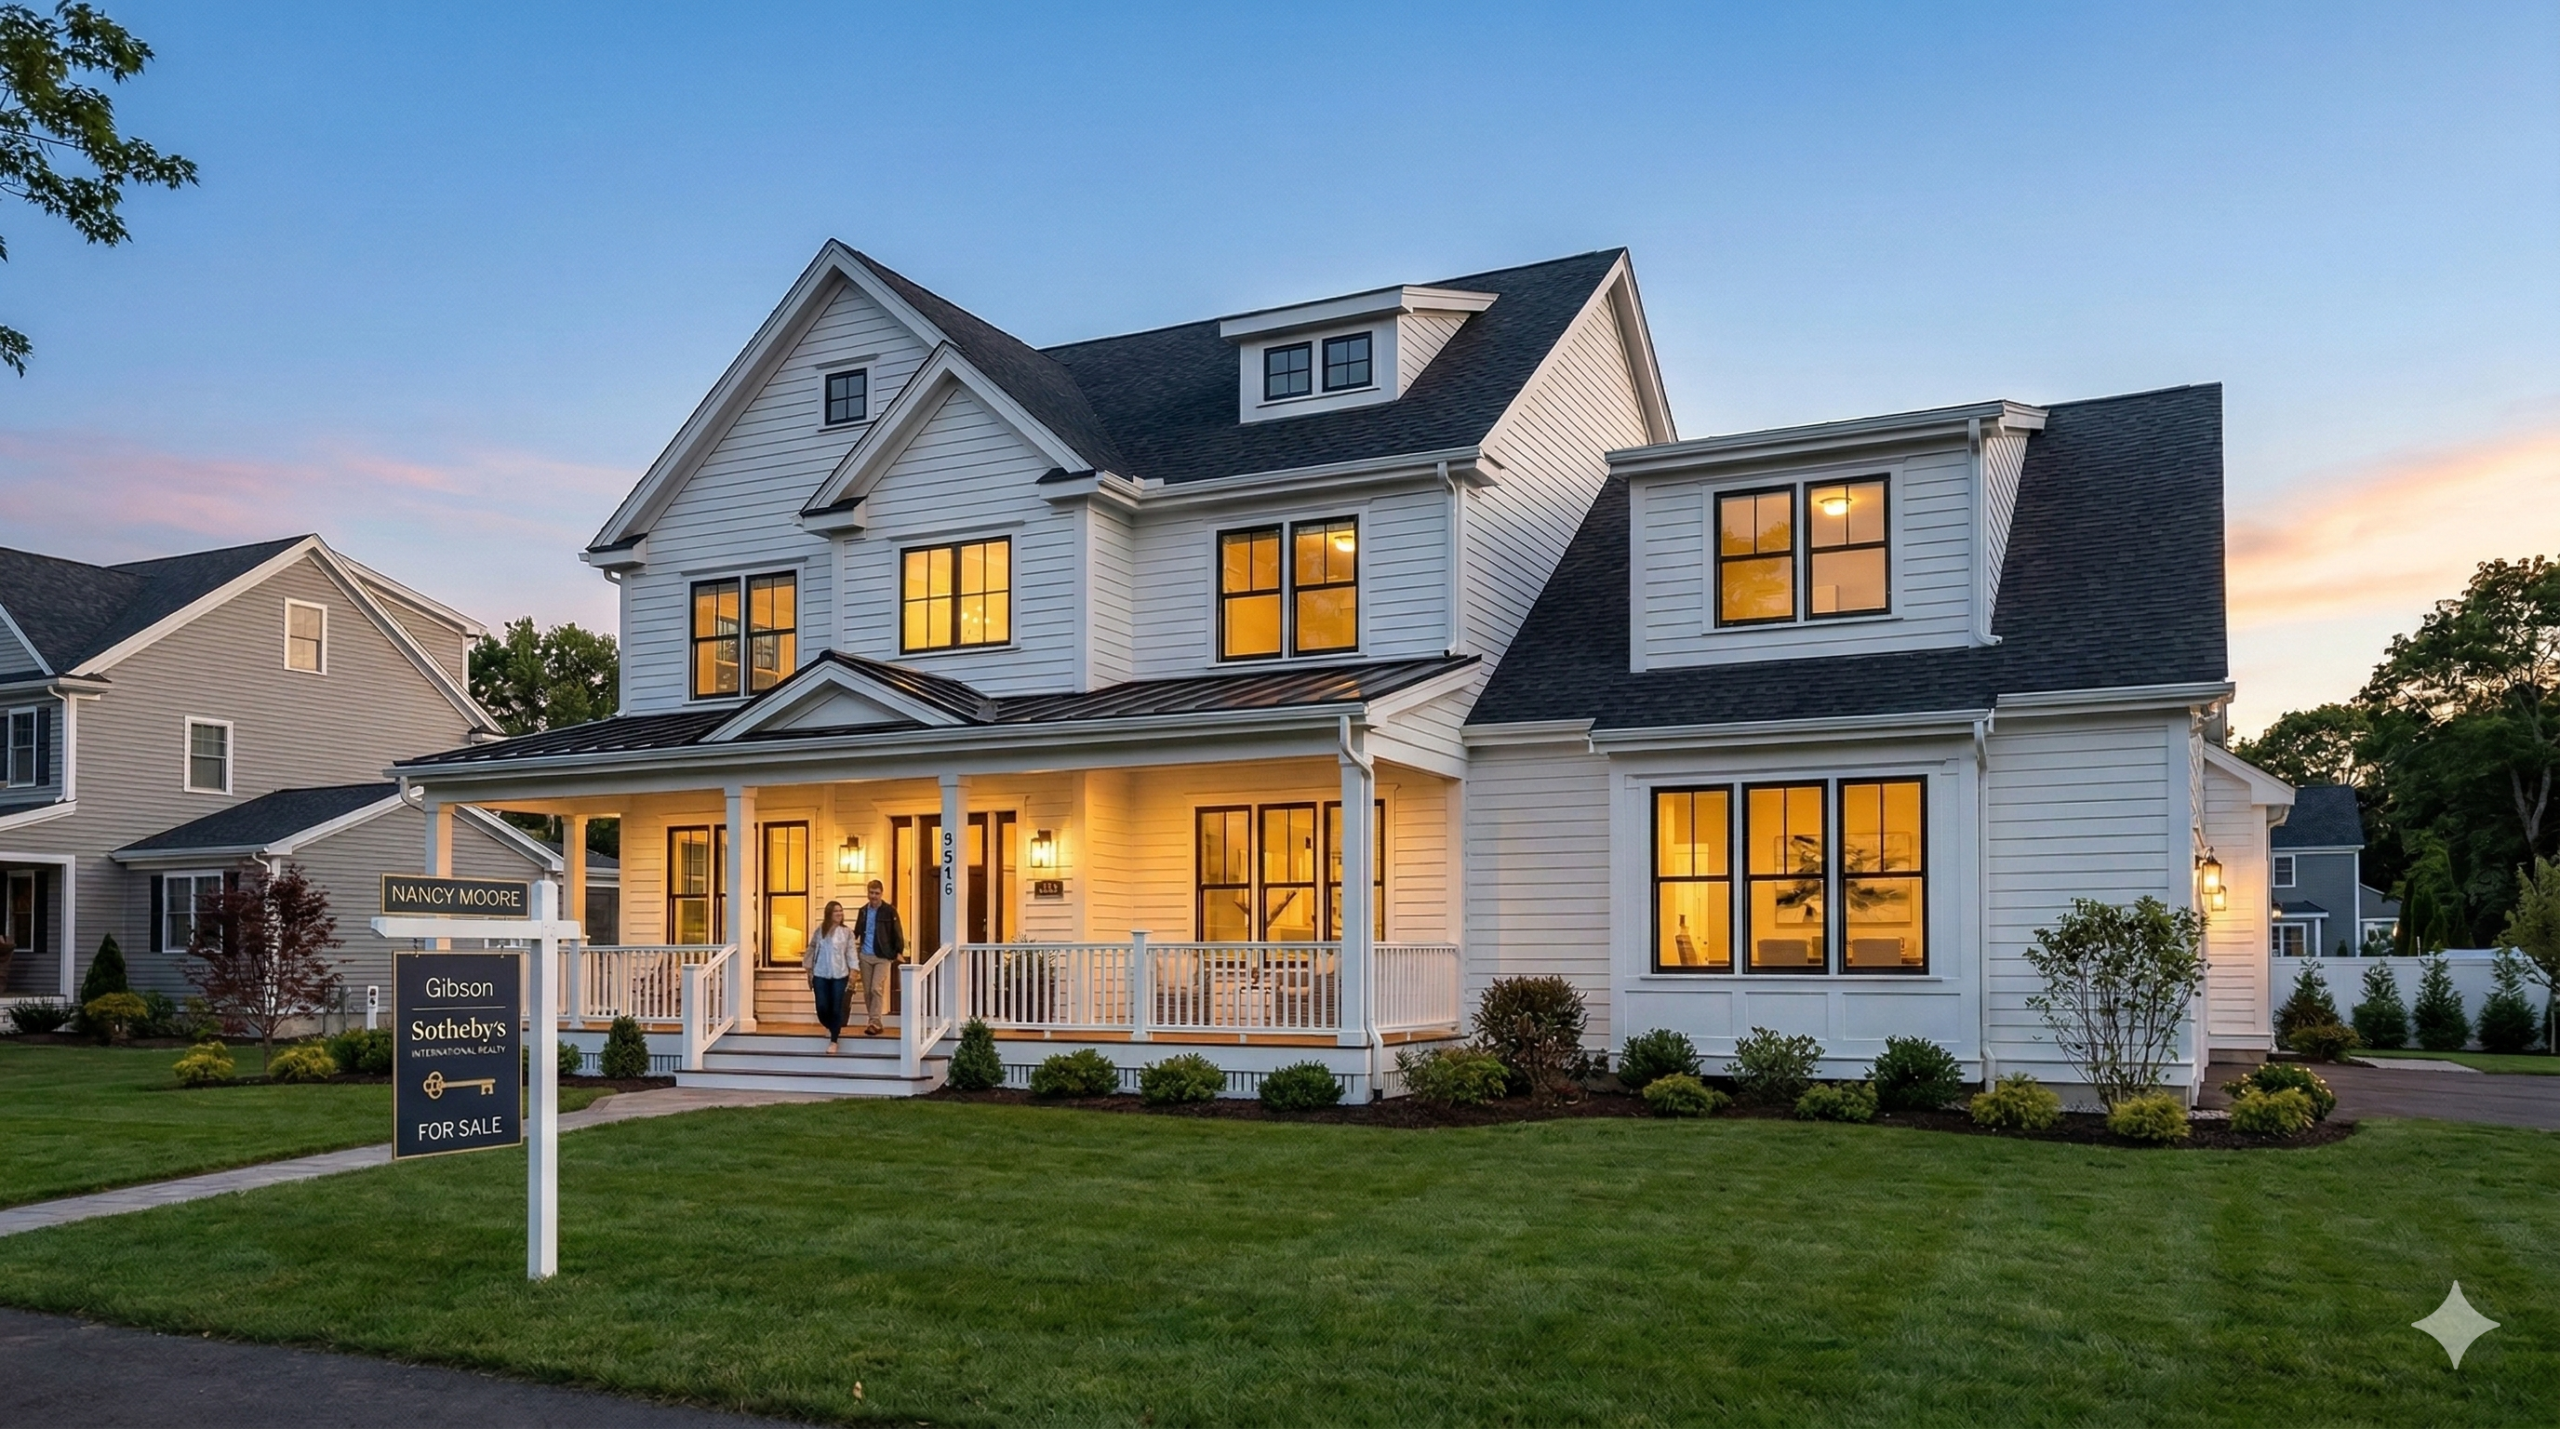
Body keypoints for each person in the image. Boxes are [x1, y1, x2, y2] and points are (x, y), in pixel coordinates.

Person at [850, 879, 905, 1036]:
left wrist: (897, 951)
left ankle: (875, 1021)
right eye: (871, 893)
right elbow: (856, 932)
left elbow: (897, 931)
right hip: (865, 956)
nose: (874, 896)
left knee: (876, 988)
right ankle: (874, 1021)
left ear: (882, 893)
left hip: (882, 955)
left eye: (877, 893)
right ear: (867, 893)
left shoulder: (889, 911)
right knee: (867, 991)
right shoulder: (863, 911)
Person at [805, 901, 854, 1053]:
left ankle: (834, 1039)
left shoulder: (847, 932)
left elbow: (851, 953)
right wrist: (809, 969)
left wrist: (854, 971)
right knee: (822, 1006)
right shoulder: (820, 931)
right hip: (820, 974)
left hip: (840, 974)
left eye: (841, 911)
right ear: (829, 914)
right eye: (836, 911)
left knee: (837, 1007)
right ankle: (830, 1025)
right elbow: (812, 948)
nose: (839, 913)